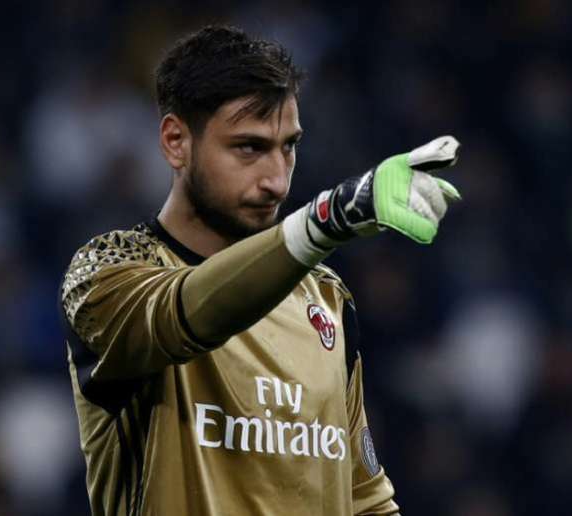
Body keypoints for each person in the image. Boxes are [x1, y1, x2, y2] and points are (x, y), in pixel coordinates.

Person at [59, 25, 461, 516]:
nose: (275, 179)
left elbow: (364, 500)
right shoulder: (109, 271)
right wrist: (324, 221)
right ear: (175, 141)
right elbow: (179, 316)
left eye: (287, 147)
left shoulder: (326, 298)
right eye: (249, 147)